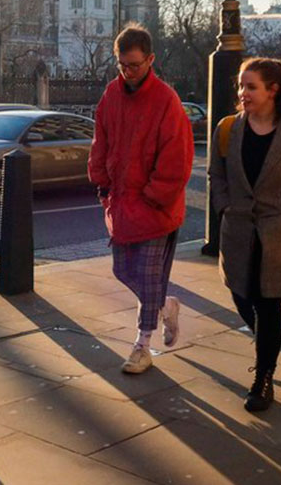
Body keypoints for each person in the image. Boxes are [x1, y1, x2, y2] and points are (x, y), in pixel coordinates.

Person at [207, 57, 281, 412]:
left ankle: (263, 377)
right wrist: (225, 206)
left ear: (273, 90)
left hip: (278, 235)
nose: (243, 93)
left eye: (251, 87)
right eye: (241, 87)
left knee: (268, 303)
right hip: (239, 231)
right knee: (241, 297)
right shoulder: (228, 129)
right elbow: (217, 174)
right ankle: (267, 345)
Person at [88, 24, 194, 375]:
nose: (127, 72)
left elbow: (176, 159)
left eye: (133, 65)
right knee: (122, 269)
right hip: (120, 203)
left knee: (147, 277)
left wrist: (152, 198)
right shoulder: (110, 95)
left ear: (150, 59)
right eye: (121, 65)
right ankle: (166, 306)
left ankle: (142, 345)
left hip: (154, 208)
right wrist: (102, 184)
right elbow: (100, 142)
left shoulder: (166, 101)